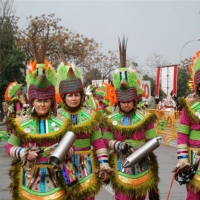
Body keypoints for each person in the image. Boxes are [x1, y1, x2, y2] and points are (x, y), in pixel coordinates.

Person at [102, 37, 160, 200]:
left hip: (142, 165)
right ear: (118, 101)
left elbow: (153, 139)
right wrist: (119, 144)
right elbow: (106, 140)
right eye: (123, 102)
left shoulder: (144, 118)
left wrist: (142, 151)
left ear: (134, 101)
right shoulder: (111, 118)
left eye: (129, 102)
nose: (126, 105)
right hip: (120, 166)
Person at [5, 62, 73, 200]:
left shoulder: (62, 123)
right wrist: (23, 153)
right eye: (38, 101)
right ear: (32, 102)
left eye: (46, 101)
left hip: (56, 177)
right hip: (29, 177)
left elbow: (72, 148)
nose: (42, 104)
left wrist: (61, 152)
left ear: (51, 102)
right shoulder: (21, 123)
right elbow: (9, 146)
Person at [57, 62, 112, 200]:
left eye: (77, 95)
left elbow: (98, 142)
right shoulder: (56, 117)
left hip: (86, 165)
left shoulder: (91, 116)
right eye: (70, 95)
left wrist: (104, 163)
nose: (74, 98)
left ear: (82, 96)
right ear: (64, 98)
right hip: (64, 166)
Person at [173, 53, 200, 200]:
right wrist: (183, 160)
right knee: (193, 196)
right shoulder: (189, 107)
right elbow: (182, 134)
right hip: (194, 161)